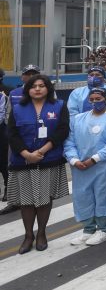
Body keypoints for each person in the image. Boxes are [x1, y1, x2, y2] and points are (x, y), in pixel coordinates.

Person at [7, 75, 70, 253]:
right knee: (26, 201)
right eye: (33, 86)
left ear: (48, 88)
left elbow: (63, 130)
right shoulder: (18, 108)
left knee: (44, 198)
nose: (37, 89)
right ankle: (28, 235)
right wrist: (26, 153)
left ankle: (41, 233)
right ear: (27, 89)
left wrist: (42, 151)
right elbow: (12, 134)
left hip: (48, 159)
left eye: (41, 86)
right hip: (23, 160)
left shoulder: (59, 106)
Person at [65, 88, 106, 246]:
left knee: (103, 194)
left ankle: (103, 229)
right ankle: (88, 229)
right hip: (81, 167)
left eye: (98, 99)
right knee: (82, 196)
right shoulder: (78, 119)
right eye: (91, 99)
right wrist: (74, 160)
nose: (94, 102)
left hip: (104, 165)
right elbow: (69, 142)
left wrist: (95, 159)